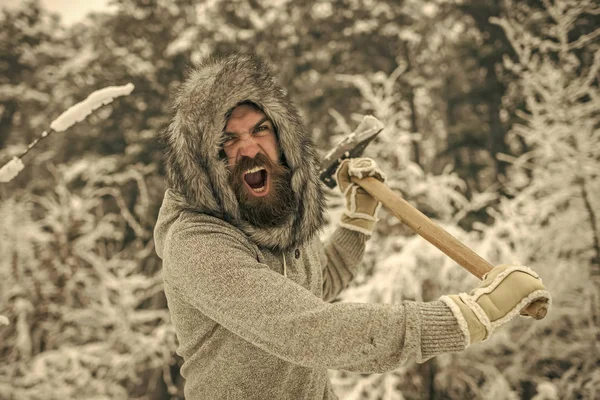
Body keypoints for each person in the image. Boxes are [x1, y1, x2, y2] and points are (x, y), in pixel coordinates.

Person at [154, 53, 550, 400]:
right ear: (200, 156)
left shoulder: (271, 215)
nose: (250, 148)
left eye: (261, 129)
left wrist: (357, 221)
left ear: (281, 135)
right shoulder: (197, 243)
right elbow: (308, 330)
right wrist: (470, 316)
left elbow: (315, 286)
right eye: (228, 139)